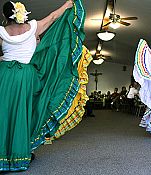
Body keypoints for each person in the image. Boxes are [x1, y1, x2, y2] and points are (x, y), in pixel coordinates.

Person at [0, 0, 86, 171]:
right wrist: (67, 4)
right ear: (21, 13)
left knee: (4, 112)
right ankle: (19, 155)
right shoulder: (33, 27)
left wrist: (4, 59)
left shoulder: (1, 32)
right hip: (26, 76)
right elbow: (54, 17)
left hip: (5, 75)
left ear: (5, 16)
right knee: (24, 113)